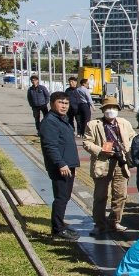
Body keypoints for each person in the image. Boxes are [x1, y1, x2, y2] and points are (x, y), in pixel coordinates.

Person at [84, 96, 135, 235]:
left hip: (120, 162)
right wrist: (101, 150)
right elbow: (87, 143)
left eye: (113, 108)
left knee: (120, 194)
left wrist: (126, 149)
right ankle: (99, 224)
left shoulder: (124, 123)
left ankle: (115, 221)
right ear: (103, 110)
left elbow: (132, 137)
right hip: (103, 162)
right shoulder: (93, 124)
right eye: (108, 108)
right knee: (101, 195)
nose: (111, 111)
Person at [39, 90, 81, 240]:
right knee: (61, 197)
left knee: (65, 196)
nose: (64, 106)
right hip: (61, 166)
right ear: (51, 104)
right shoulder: (50, 121)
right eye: (60, 103)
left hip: (68, 164)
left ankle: (60, 225)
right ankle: (58, 229)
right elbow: (50, 146)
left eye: (66, 103)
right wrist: (60, 164)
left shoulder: (62, 119)